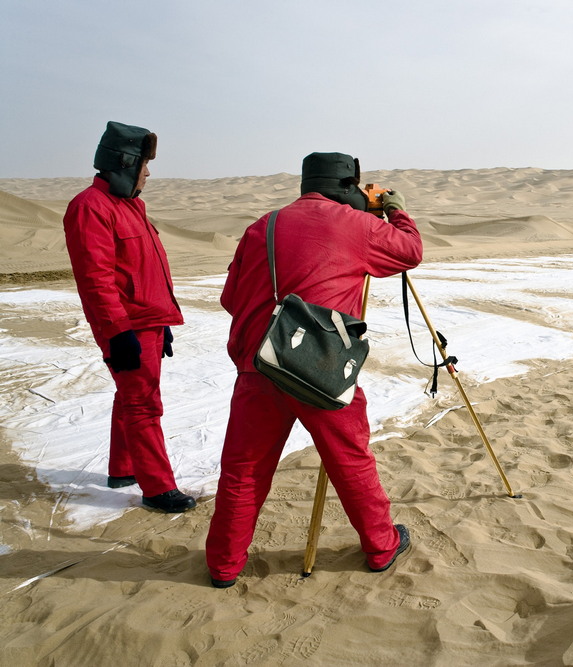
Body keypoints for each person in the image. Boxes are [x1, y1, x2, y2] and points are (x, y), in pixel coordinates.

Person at [206, 152, 423, 588]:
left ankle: (223, 566)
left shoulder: (262, 226)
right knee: (351, 460)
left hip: (259, 363)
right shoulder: (357, 225)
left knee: (243, 470)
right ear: (349, 186)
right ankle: (381, 547)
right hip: (320, 367)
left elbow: (232, 296)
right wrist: (394, 208)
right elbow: (410, 252)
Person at [62, 121, 195, 513]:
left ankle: (123, 468)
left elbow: (143, 271)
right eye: (144, 165)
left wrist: (163, 321)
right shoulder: (89, 208)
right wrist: (118, 333)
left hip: (147, 322)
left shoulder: (131, 205)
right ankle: (157, 488)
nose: (149, 174)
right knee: (143, 405)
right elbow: (97, 280)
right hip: (126, 326)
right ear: (125, 162)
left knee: (131, 397)